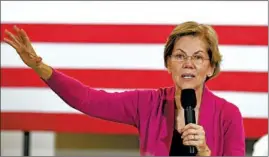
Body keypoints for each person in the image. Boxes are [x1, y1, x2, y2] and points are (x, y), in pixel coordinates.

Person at [3, 21, 245, 156]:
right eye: (180, 56)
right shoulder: (148, 103)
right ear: (168, 64)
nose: (188, 63)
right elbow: (88, 99)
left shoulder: (228, 114)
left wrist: (204, 152)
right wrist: (40, 68)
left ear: (211, 67)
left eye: (198, 57)